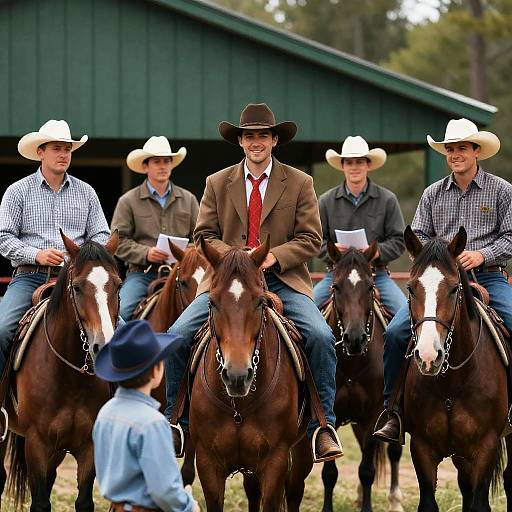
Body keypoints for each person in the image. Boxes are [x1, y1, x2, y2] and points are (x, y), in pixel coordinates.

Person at [164, 103, 343, 462]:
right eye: (249, 136)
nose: (256, 142)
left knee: (322, 337)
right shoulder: (217, 182)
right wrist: (235, 258)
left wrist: (272, 256)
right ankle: (176, 421)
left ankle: (322, 427)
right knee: (177, 335)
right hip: (227, 284)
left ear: (274, 140)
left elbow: (311, 239)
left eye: (263, 135)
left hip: (281, 281)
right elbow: (204, 235)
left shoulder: (299, 182)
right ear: (241, 142)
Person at [374, 118, 512, 442]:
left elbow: (511, 236)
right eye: (450, 149)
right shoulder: (433, 194)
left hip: (488, 277)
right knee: (394, 334)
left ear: (477, 151)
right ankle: (392, 410)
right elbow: (418, 236)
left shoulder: (502, 191)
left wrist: (482, 254)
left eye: (462, 148)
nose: (455, 154)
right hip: (439, 284)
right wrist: (430, 258)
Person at [0, 119, 110, 376]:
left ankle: (118, 404)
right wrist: (36, 254)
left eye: (67, 149)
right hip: (29, 277)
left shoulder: (87, 192)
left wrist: (82, 256)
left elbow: (102, 235)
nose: (63, 154)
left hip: (79, 279)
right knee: (2, 329)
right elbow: (3, 238)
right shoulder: (17, 192)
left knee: (122, 331)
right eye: (56, 148)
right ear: (40, 152)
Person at [93, 319, 199, 512]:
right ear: (155, 371)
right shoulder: (152, 422)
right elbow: (164, 490)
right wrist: (189, 506)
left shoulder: (105, 414)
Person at [313, 135, 406, 315]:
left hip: (377, 275)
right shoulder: (325, 201)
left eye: (359, 162)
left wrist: (376, 251)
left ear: (368, 164)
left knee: (405, 316)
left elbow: (399, 240)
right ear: (343, 166)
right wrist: (333, 250)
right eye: (349, 162)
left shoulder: (387, 199)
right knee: (308, 314)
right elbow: (315, 241)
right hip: (336, 275)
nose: (354, 167)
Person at [112, 136, 199, 320]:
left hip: (182, 274)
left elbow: (201, 239)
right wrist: (146, 253)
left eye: (166, 161)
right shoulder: (128, 201)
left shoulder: (189, 199)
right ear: (145, 167)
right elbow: (117, 242)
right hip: (142, 274)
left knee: (207, 309)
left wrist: (187, 251)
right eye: (156, 161)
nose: (162, 166)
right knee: (121, 312)